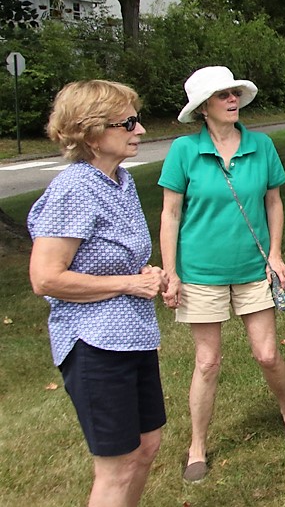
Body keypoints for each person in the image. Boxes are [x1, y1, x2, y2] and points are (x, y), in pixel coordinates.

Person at [158, 66, 285, 484]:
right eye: (222, 95)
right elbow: (170, 214)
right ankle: (197, 446)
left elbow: (273, 203)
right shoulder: (183, 151)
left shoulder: (261, 145)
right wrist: (171, 272)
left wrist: (275, 254)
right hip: (200, 273)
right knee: (207, 362)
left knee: (267, 354)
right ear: (203, 107)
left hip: (253, 269)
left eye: (234, 93)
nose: (232, 99)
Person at [27, 80, 167, 506]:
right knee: (117, 465)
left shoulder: (118, 181)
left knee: (147, 446)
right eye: (126, 122)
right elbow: (46, 278)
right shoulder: (74, 188)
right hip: (95, 345)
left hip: (133, 337)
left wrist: (145, 272)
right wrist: (129, 283)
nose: (139, 129)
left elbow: (108, 256)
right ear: (90, 133)